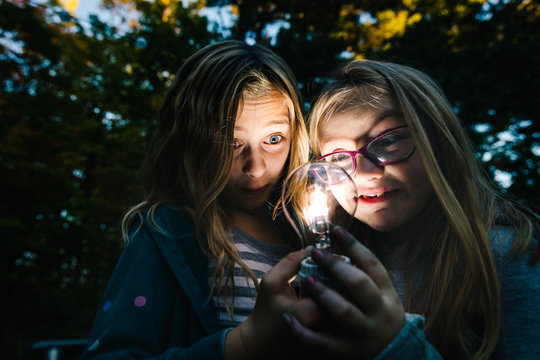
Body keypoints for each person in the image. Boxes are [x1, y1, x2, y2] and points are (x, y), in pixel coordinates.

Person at [282, 60, 540, 359]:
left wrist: (396, 347)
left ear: (440, 142)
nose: (365, 173)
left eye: (388, 140)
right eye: (338, 157)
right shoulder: (334, 265)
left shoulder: (506, 258)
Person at [81, 39, 320, 359]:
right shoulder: (167, 234)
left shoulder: (306, 234)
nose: (255, 168)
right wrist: (244, 344)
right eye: (230, 142)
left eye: (273, 139)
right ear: (190, 141)